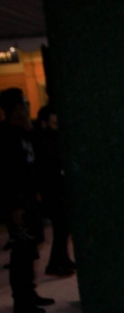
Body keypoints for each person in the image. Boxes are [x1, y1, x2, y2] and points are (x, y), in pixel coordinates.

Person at [0, 87, 54, 313]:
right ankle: (22, 299)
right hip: (18, 202)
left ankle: (29, 293)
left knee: (30, 247)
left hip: (28, 199)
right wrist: (15, 205)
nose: (27, 107)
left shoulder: (23, 132)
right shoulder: (6, 136)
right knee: (22, 250)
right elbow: (8, 175)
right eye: (24, 104)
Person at [32, 105, 75, 276]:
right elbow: (49, 164)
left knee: (62, 229)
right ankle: (57, 263)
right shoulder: (44, 140)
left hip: (55, 188)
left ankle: (61, 260)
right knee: (60, 228)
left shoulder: (48, 138)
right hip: (52, 189)